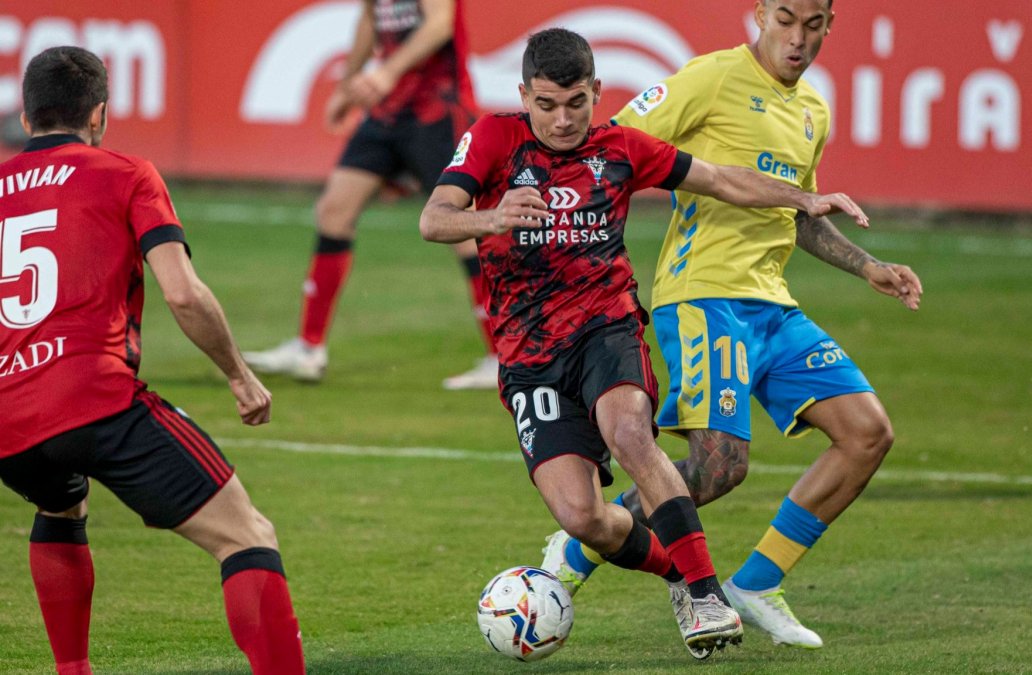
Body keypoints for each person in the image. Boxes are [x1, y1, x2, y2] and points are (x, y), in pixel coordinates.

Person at [420, 28, 870, 659]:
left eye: (576, 102)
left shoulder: (622, 149)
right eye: (546, 105)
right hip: (529, 357)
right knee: (584, 518)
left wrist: (804, 197)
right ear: (524, 95)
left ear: (597, 92)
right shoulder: (495, 137)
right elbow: (433, 219)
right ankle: (674, 576)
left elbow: (721, 179)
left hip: (608, 327)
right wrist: (491, 216)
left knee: (631, 434)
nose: (562, 119)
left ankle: (706, 592)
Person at [542, 0, 924, 650]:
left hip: (771, 304)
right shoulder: (709, 79)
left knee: (867, 433)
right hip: (702, 296)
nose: (797, 37)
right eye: (784, 18)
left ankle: (757, 580)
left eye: (812, 24)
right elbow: (611, 145)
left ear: (830, 26)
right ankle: (580, 545)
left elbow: (798, 213)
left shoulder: (812, 110)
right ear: (758, 15)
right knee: (719, 465)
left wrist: (866, 266)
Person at [0, 47, 305, 674]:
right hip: (94, 398)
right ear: (100, 115)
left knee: (58, 501)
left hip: (9, 422)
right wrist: (239, 377)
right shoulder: (127, 173)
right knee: (246, 536)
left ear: (26, 119)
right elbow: (183, 292)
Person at [244, 0, 498, 389]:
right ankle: (310, 349)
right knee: (333, 211)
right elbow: (369, 18)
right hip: (387, 111)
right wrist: (349, 86)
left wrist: (386, 72)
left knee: (465, 230)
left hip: (436, 109)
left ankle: (503, 355)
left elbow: (440, 25)